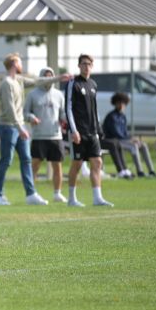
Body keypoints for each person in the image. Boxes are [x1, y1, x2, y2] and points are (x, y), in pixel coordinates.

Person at [0, 53, 71, 206]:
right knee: (6, 161)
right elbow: (10, 110)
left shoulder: (19, 80)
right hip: (7, 127)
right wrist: (20, 128)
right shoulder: (7, 83)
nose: (22, 65)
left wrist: (58, 78)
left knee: (27, 160)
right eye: (20, 62)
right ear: (14, 63)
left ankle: (31, 194)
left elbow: (38, 81)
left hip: (18, 127)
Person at [65, 54, 114, 207]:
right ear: (79, 66)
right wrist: (74, 130)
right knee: (77, 164)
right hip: (78, 132)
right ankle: (71, 199)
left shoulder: (93, 84)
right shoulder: (73, 83)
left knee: (97, 162)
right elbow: (68, 108)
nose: (86, 66)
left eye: (89, 64)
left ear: (92, 66)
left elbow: (94, 109)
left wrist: (98, 129)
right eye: (84, 64)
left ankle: (97, 198)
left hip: (92, 132)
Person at [23, 66, 68, 203]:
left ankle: (57, 193)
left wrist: (64, 120)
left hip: (55, 136)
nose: (49, 79)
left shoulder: (59, 94)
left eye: (51, 76)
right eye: (46, 76)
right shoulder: (32, 94)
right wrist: (32, 118)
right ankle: (32, 193)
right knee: (35, 165)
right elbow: (25, 113)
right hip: (38, 136)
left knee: (57, 165)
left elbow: (62, 113)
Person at [103, 91, 156, 177]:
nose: (121, 105)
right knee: (134, 146)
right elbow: (117, 134)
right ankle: (140, 171)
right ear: (115, 103)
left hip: (124, 140)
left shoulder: (123, 116)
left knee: (143, 145)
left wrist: (132, 138)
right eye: (119, 103)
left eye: (123, 103)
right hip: (116, 142)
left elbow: (125, 132)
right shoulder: (111, 116)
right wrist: (130, 140)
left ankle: (151, 170)